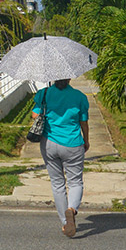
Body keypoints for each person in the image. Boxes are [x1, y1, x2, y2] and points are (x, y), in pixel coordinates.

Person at [31, 78, 90, 237]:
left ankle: (65, 222)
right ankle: (72, 209)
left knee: (57, 184)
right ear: (69, 77)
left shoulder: (43, 94)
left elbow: (34, 114)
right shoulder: (79, 96)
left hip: (49, 143)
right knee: (75, 181)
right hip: (72, 144)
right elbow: (83, 122)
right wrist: (87, 140)